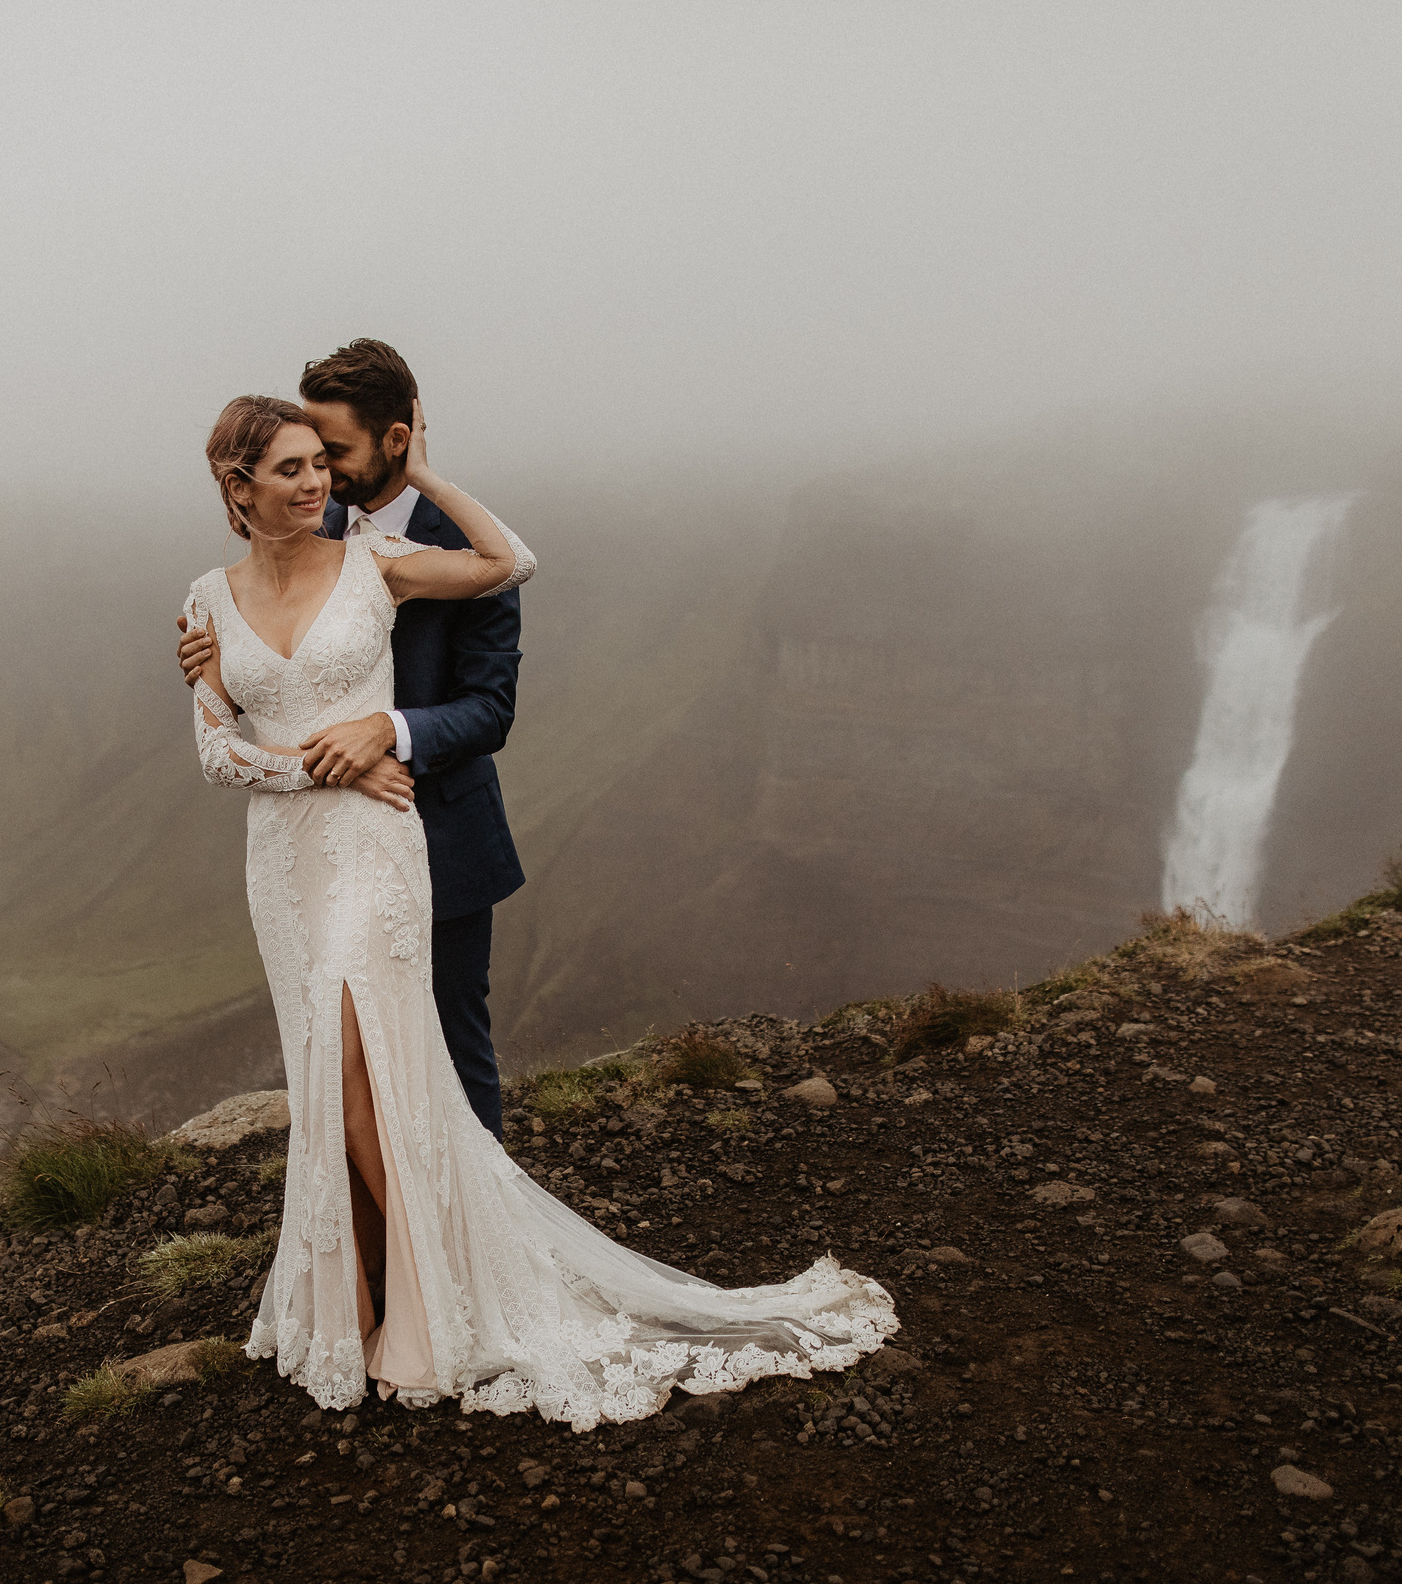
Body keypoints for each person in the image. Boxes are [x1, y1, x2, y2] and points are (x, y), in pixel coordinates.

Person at [183, 392, 895, 1424]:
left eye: (319, 464)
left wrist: (421, 470)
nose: (315, 482)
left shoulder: (370, 564)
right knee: (336, 1081)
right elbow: (215, 754)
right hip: (287, 856)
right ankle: (361, 1298)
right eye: (289, 469)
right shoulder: (205, 602)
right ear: (235, 489)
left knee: (360, 1064)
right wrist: (319, 769)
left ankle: (432, 1311)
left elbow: (508, 561)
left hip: (377, 847)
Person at [178, 340, 520, 1140]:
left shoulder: (447, 536)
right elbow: (260, 657)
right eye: (304, 456)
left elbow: (491, 709)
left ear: (396, 440)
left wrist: (386, 732)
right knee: (348, 1063)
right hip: (319, 848)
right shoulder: (305, 524)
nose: (318, 474)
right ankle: (380, 1246)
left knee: (453, 1048)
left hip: (439, 825)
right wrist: (211, 659)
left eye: (331, 452)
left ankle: (467, 1248)